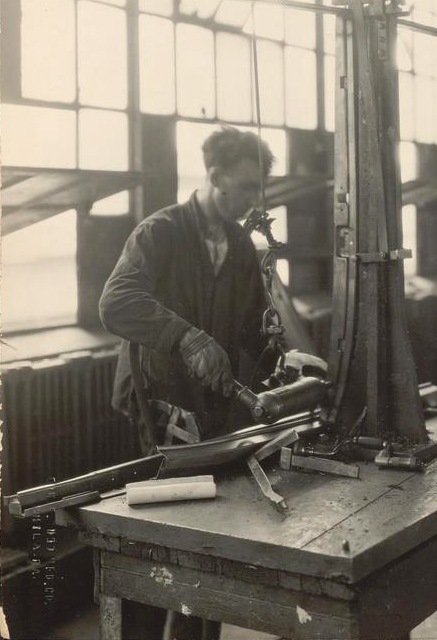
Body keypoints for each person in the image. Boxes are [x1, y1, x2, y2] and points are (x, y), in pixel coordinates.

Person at [99, 125, 276, 640]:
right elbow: (115, 303)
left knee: (211, 541)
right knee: (159, 541)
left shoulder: (242, 246)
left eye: (258, 189)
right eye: (245, 188)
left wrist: (279, 355)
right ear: (215, 176)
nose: (252, 200)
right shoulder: (160, 232)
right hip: (158, 407)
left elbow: (250, 328)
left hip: (210, 407)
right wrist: (186, 337)